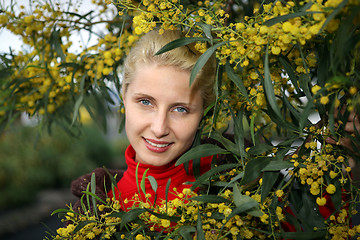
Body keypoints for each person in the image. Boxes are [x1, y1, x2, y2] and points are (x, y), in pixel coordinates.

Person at [71, 29, 217, 213]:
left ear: (204, 112)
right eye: (146, 102)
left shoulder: (241, 184)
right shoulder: (95, 216)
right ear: (124, 95)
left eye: (180, 109)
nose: (159, 128)